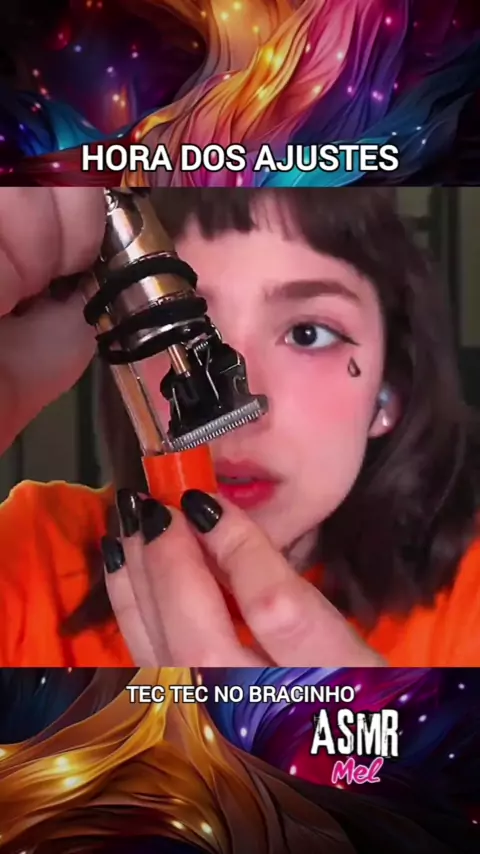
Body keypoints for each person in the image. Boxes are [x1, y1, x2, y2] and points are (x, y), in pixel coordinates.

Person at [0, 186, 479, 667]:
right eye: (177, 336)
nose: (233, 420)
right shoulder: (32, 555)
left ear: (387, 394)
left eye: (308, 334)